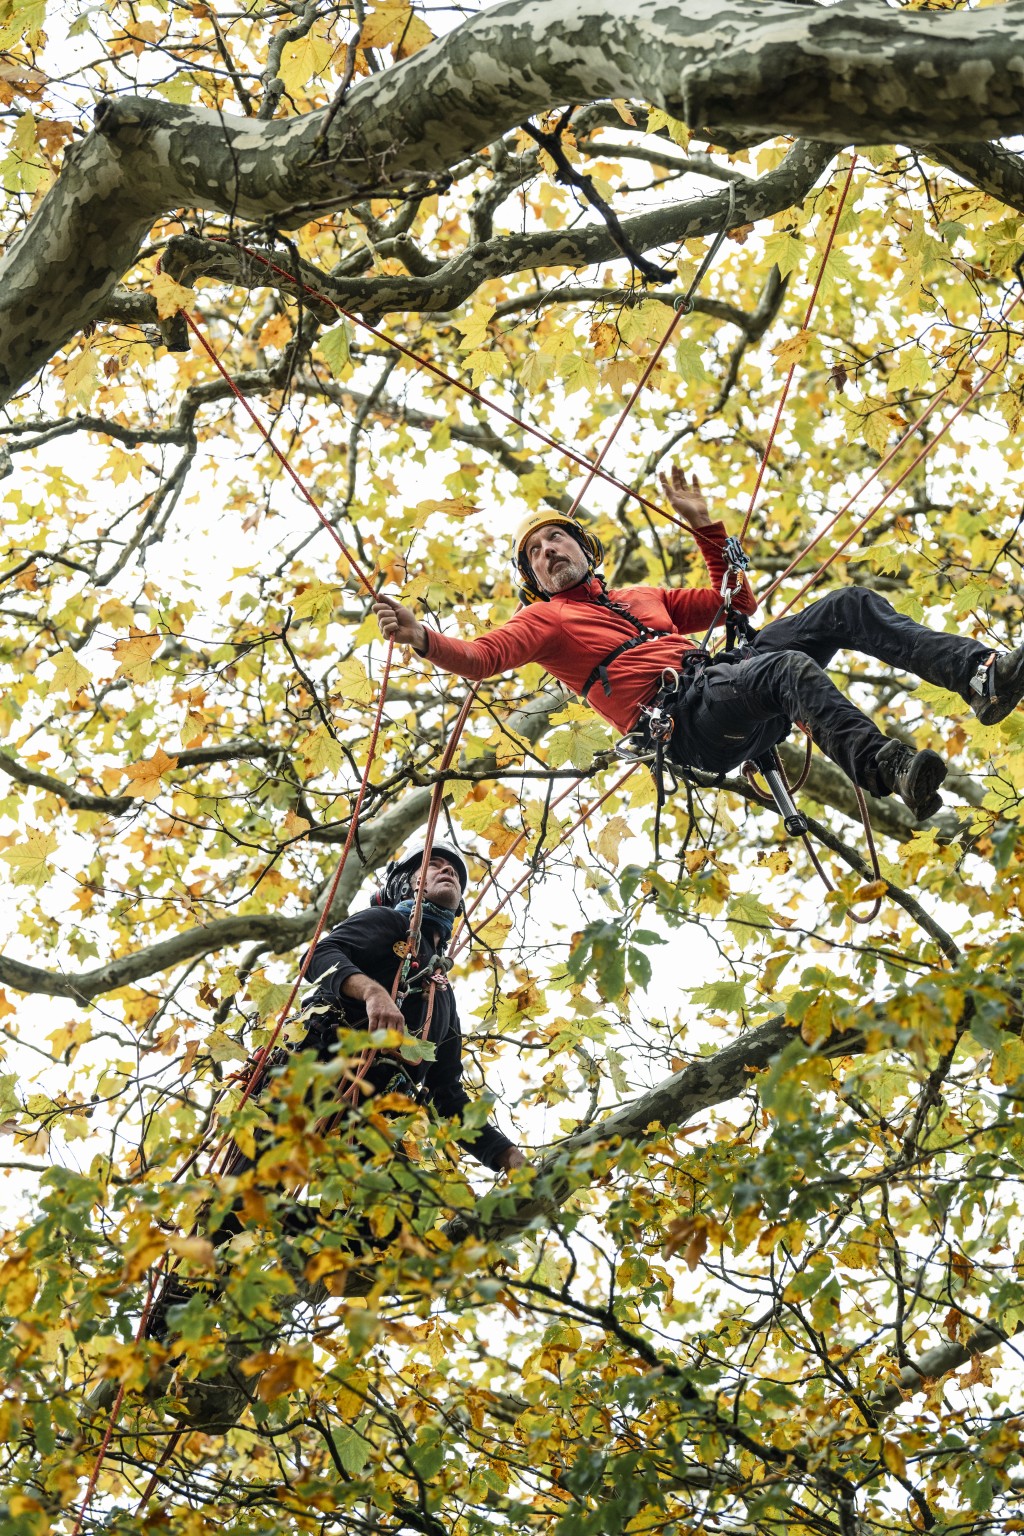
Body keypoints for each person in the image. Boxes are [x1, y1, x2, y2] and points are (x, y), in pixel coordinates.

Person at [372, 469, 1024, 821]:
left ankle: (980, 675)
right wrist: (423, 636)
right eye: (536, 555)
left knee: (847, 605)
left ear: (584, 548)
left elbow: (739, 603)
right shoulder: (545, 624)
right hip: (688, 723)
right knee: (786, 668)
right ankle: (884, 766)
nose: (548, 552)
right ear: (535, 581)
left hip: (725, 679)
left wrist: (706, 527)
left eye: (556, 540)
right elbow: (480, 658)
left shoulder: (642, 598)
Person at [148, 842, 524, 1339]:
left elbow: (448, 1096)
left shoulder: (442, 991)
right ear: (404, 884)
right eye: (433, 865)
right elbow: (320, 955)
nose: (447, 872)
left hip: (365, 1123)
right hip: (308, 1082)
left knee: (399, 1212)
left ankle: (290, 1259)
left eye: (455, 870)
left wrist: (506, 1156)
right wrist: (371, 991)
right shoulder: (391, 926)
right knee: (235, 1203)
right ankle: (170, 1329)